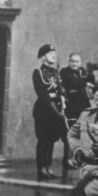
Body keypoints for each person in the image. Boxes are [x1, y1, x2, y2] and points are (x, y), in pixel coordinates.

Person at [32, 44, 67, 179]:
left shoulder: (55, 73)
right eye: (50, 53)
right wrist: (57, 113)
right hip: (44, 111)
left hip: (56, 111)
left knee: (51, 140)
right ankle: (41, 168)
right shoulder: (38, 73)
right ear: (43, 57)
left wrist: (62, 106)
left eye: (54, 53)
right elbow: (44, 95)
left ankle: (48, 167)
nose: (54, 55)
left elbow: (61, 92)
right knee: (43, 140)